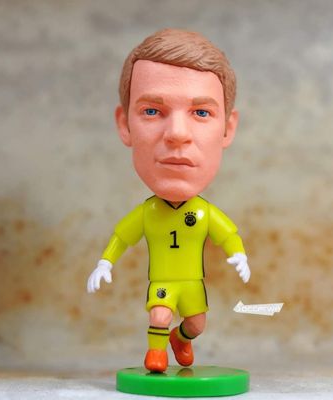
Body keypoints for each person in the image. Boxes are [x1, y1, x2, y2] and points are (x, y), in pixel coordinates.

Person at [87, 28, 250, 373]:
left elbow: (228, 235)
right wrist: (104, 263)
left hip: (192, 284)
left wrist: (238, 255)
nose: (177, 133)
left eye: (201, 113)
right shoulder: (148, 213)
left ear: (227, 128)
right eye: (152, 111)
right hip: (161, 282)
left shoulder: (203, 212)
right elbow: (122, 237)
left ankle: (181, 339)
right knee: (159, 315)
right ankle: (156, 354)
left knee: (197, 325)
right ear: (124, 124)